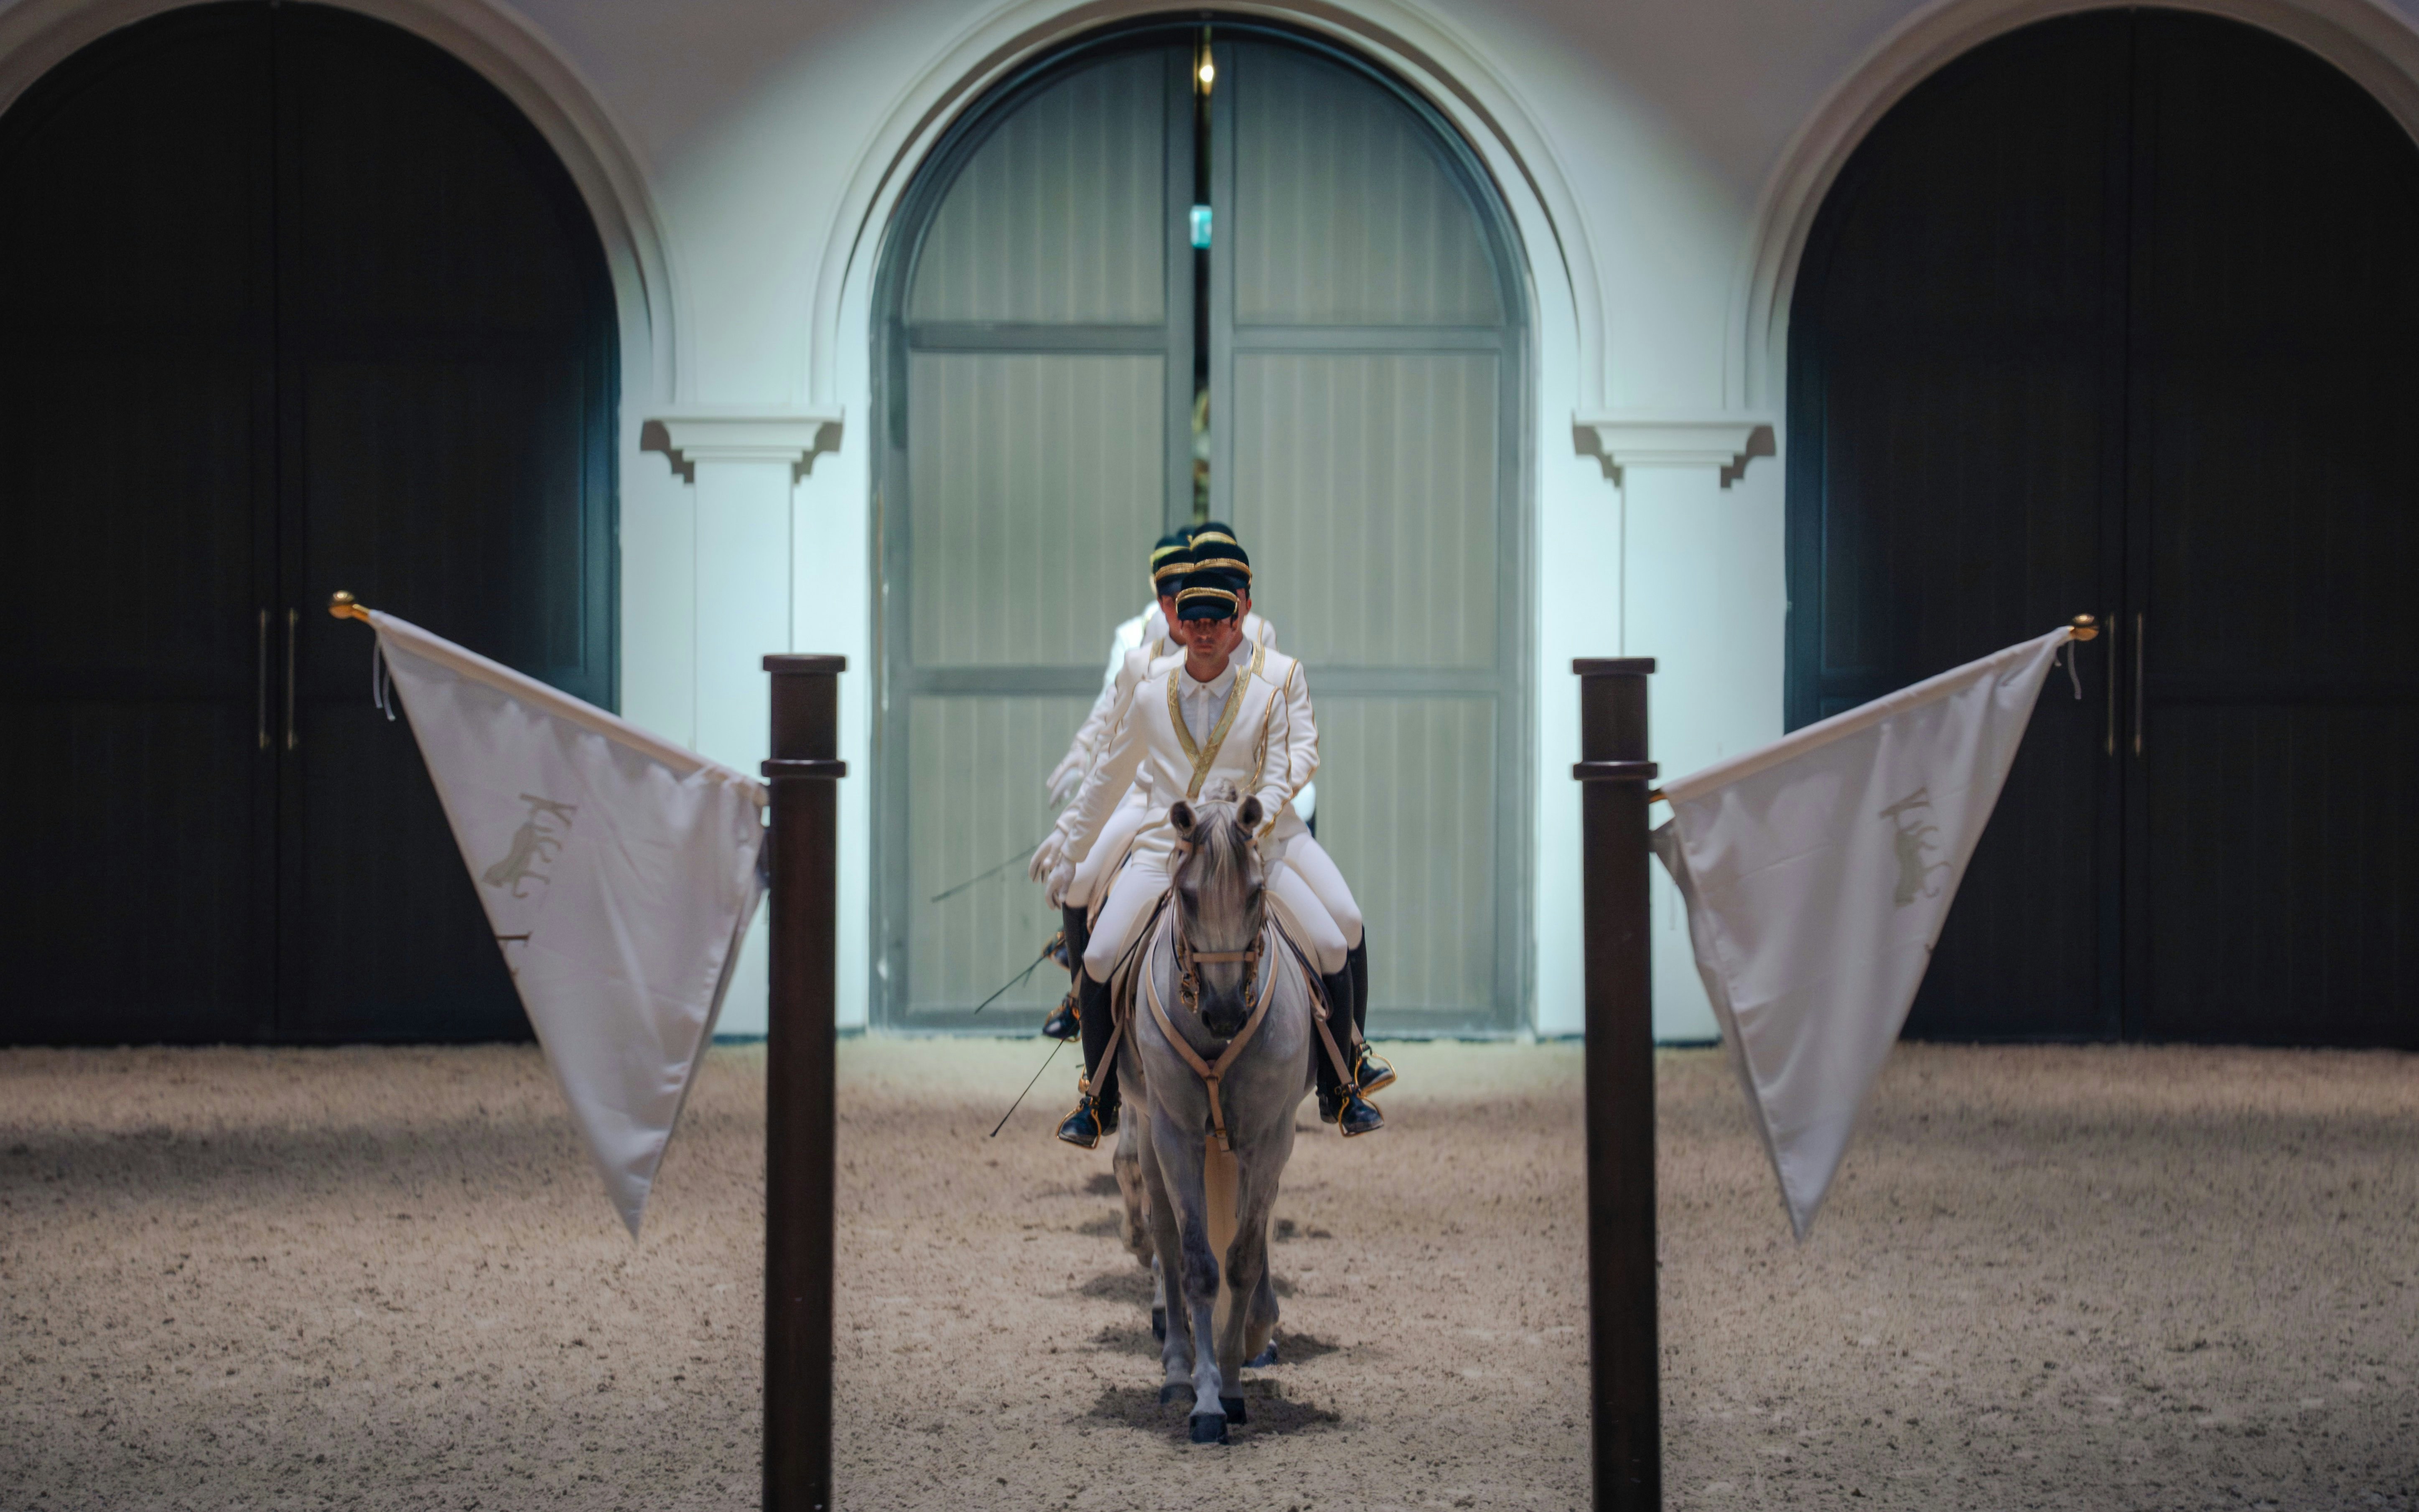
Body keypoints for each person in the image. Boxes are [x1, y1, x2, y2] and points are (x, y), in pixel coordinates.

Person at [1033, 567, 1383, 1146]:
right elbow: (1109, 777)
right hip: (1161, 851)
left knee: (1328, 939)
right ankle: (1099, 1099)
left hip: (1248, 854)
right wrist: (1073, 849)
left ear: (1234, 625)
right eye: (1192, 623)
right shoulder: (1150, 695)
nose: (1202, 634)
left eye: (1214, 624)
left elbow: (1277, 775)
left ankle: (1340, 1085)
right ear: (1179, 626)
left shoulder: (1266, 695)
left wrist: (1246, 818)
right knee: (1096, 957)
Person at [1182, 545, 1392, 1107]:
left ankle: (1346, 1068)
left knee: (1343, 923)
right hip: (1200, 842)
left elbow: (1304, 753)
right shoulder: (1177, 676)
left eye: (1229, 600)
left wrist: (1261, 806)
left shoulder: (1282, 673)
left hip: (1275, 835)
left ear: (1244, 604)